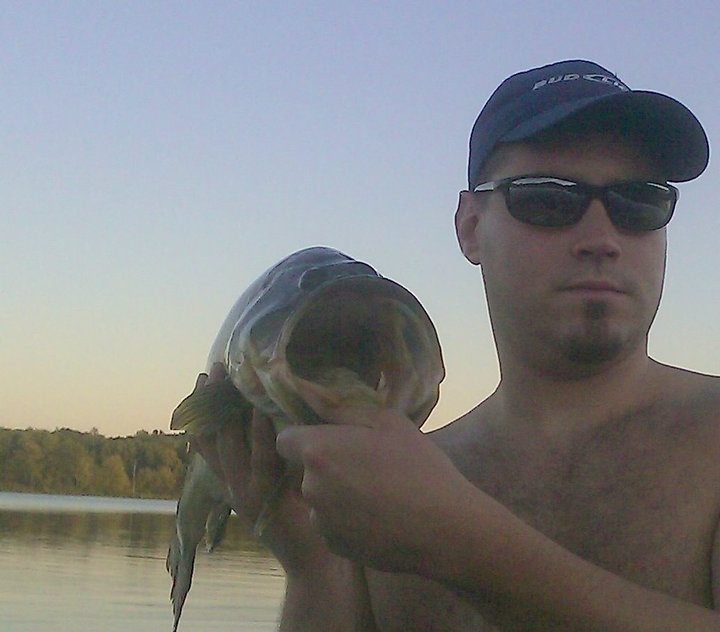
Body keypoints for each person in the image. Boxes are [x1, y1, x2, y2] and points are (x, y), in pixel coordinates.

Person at [190, 59, 720, 630]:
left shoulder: (410, 500)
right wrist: (314, 566)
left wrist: (466, 548)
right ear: (470, 226)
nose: (601, 238)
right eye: (547, 198)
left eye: (639, 201)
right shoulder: (386, 489)